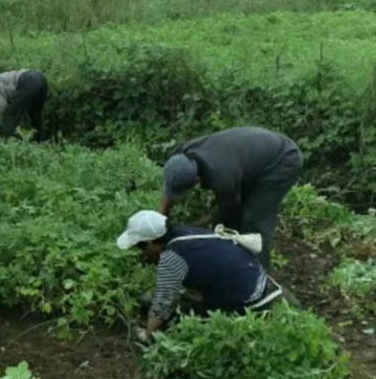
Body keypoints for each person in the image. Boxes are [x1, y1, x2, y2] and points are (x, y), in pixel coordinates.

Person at [117, 210, 284, 342]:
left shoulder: (171, 258)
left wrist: (147, 334)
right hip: (258, 279)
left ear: (153, 241)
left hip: (248, 300)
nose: (142, 252)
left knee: (179, 317)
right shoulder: (185, 232)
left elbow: (162, 303)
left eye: (141, 246)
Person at [159, 126, 302, 268]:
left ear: (196, 180)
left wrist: (192, 228)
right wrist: (161, 221)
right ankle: (235, 261)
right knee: (232, 218)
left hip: (283, 161)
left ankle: (260, 277)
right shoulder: (182, 156)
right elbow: (170, 188)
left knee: (253, 222)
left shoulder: (222, 178)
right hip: (255, 153)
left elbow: (228, 215)